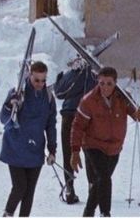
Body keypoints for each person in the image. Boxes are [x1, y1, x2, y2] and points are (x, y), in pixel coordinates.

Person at [71, 66, 140, 216]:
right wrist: (75, 151)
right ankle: (105, 214)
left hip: (115, 147)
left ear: (115, 83)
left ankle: (87, 214)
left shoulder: (122, 97)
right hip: (93, 144)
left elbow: (136, 112)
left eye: (109, 83)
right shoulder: (89, 100)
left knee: (100, 183)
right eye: (101, 83)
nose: (105, 87)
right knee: (103, 177)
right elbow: (77, 127)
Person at [0, 60, 59, 217]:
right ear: (29, 76)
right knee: (20, 187)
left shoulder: (48, 97)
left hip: (35, 150)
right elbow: (3, 118)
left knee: (29, 192)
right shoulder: (18, 92)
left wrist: (52, 150)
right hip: (15, 147)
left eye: (43, 80)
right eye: (36, 80)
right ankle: (7, 215)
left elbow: (50, 125)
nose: (40, 83)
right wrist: (10, 105)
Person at [53, 59, 97, 205]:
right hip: (85, 117)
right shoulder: (93, 75)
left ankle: (69, 189)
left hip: (70, 115)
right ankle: (92, 188)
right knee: (89, 154)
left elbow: (58, 91)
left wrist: (68, 74)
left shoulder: (72, 75)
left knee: (70, 153)